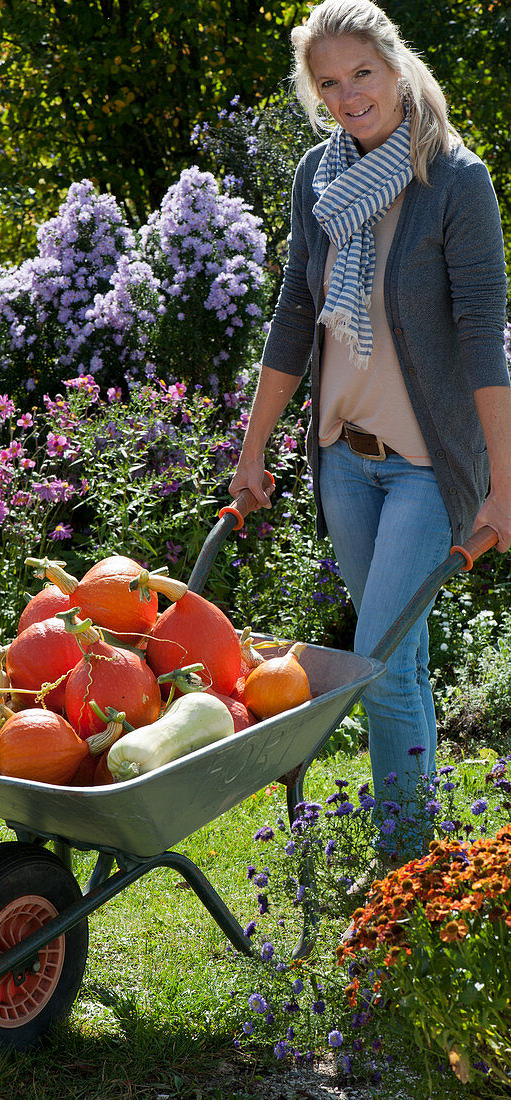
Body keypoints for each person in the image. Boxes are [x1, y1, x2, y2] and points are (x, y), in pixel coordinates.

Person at [230, 0, 511, 862]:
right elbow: (295, 312)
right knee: (398, 664)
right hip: (345, 462)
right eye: (328, 84)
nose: (349, 97)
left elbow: (481, 329)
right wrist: (252, 452)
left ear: (396, 65)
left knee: (380, 666)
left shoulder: (454, 181)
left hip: (429, 467)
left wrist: (504, 482)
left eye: (362, 74)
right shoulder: (319, 177)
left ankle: (404, 872)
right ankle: (418, 862)